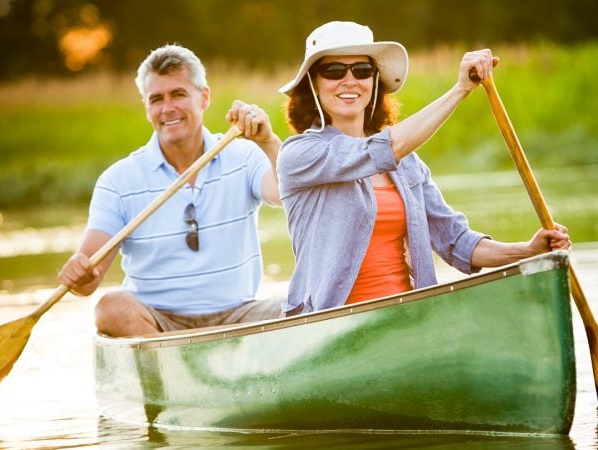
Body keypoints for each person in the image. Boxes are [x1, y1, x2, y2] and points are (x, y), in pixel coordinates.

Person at [276, 21, 571, 316]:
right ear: (314, 83)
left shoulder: (407, 164)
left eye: (362, 71)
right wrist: (460, 89)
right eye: (334, 71)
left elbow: (457, 242)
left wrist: (529, 250)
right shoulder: (301, 154)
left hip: (409, 317)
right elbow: (383, 149)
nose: (350, 80)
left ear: (375, 80)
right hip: (331, 324)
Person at [58, 44, 283, 336]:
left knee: (304, 302)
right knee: (109, 308)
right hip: (157, 324)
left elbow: (285, 194)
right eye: (156, 99)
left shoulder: (244, 155)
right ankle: (177, 373)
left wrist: (268, 142)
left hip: (239, 316)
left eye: (178, 94)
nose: (168, 108)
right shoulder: (118, 181)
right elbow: (89, 281)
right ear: (147, 107)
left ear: (204, 98)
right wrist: (78, 273)